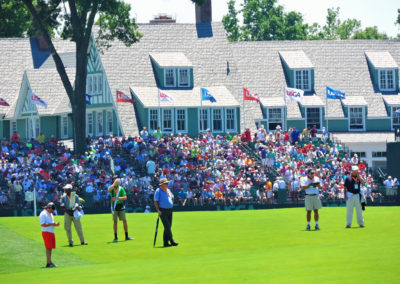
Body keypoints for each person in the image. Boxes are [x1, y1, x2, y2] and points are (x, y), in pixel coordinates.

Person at [108, 177, 134, 242]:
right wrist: (114, 184)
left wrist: (117, 198)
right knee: (115, 222)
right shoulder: (111, 187)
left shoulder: (121, 188)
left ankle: (126, 236)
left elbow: (125, 197)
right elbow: (109, 190)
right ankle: (115, 237)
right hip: (114, 206)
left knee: (124, 221)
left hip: (120, 206)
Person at [154, 178, 178, 247]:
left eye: (167, 183)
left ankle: (165, 243)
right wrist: (158, 210)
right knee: (167, 227)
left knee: (168, 227)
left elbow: (172, 197)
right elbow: (155, 201)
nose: (167, 184)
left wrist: (170, 203)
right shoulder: (158, 191)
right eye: (166, 183)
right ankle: (172, 241)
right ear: (162, 184)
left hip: (169, 210)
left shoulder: (168, 190)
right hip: (162, 211)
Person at [39, 202, 60, 268]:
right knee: (48, 248)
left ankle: (50, 262)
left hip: (51, 232)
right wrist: (53, 224)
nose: (53, 211)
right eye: (52, 209)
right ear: (49, 208)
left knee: (50, 248)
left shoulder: (50, 214)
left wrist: (55, 224)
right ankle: (48, 263)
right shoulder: (43, 214)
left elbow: (50, 223)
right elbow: (42, 224)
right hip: (46, 232)